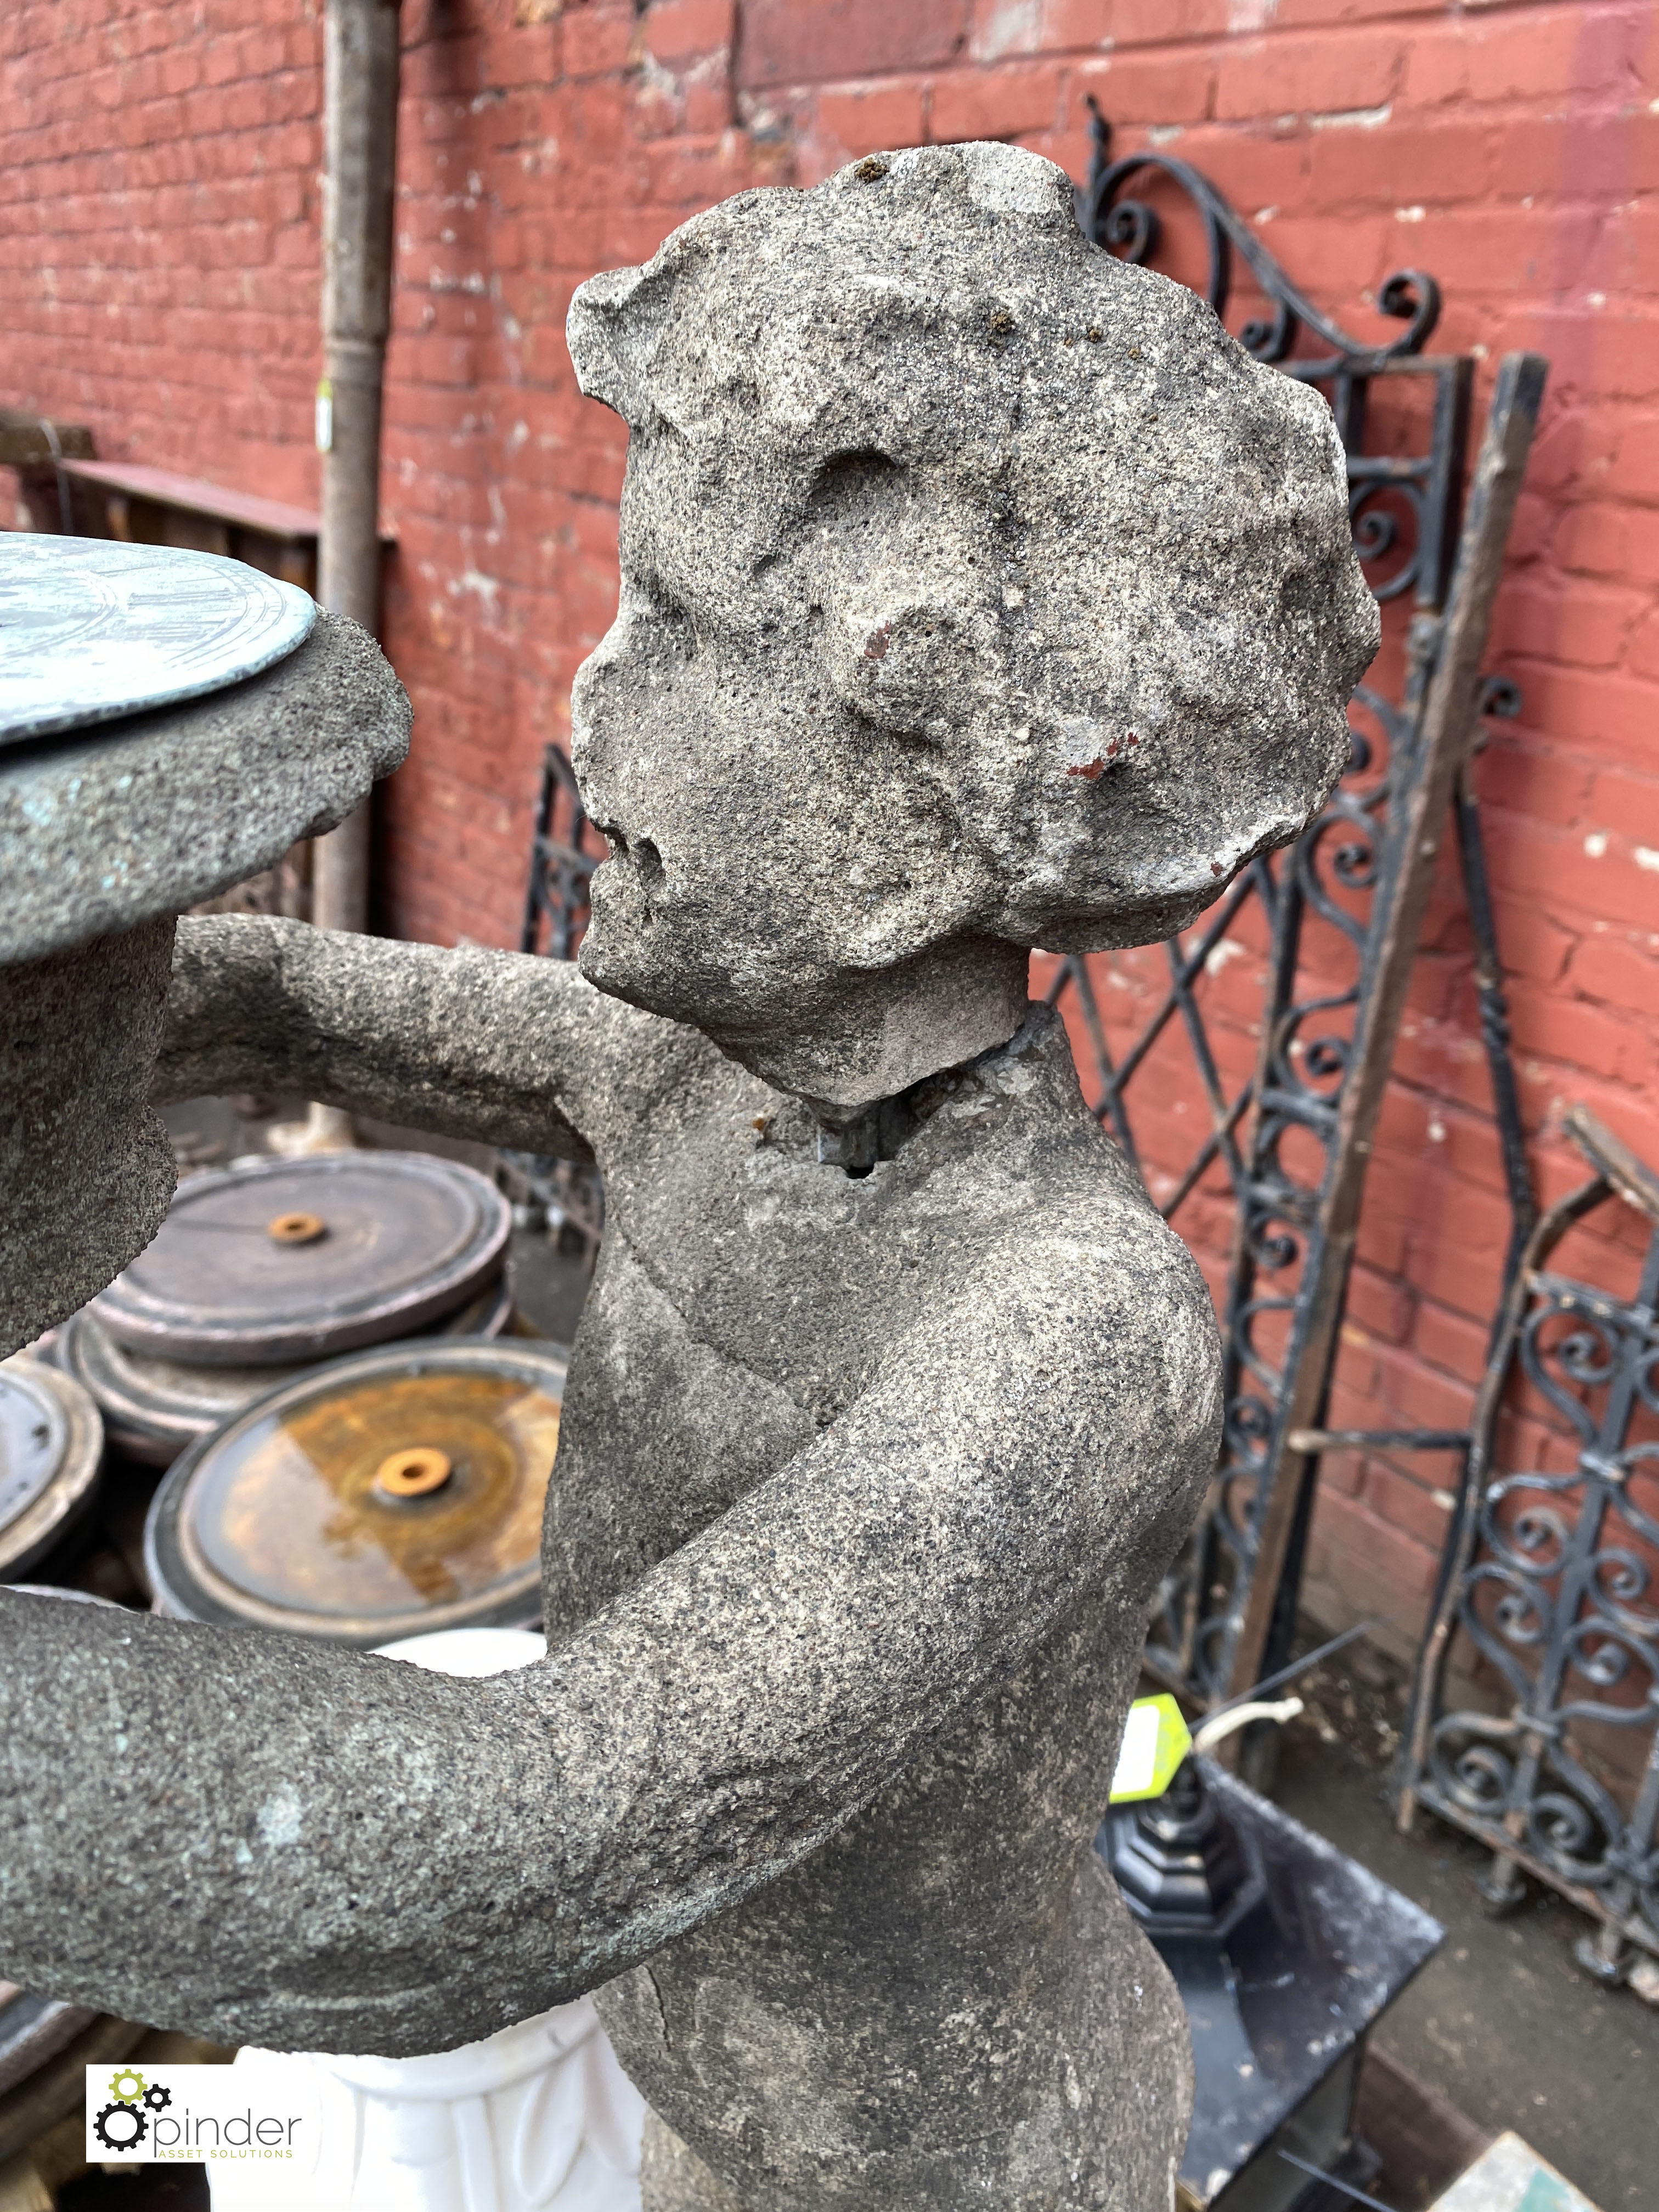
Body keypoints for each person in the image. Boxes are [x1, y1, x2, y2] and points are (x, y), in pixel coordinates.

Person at [0, 143, 1375, 2210]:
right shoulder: (670, 1075)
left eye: (692, 640)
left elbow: (510, 1846)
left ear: (940, 821)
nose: (585, 708)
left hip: (929, 2171)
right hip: (680, 2086)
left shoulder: (1064, 1332)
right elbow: (270, 988)